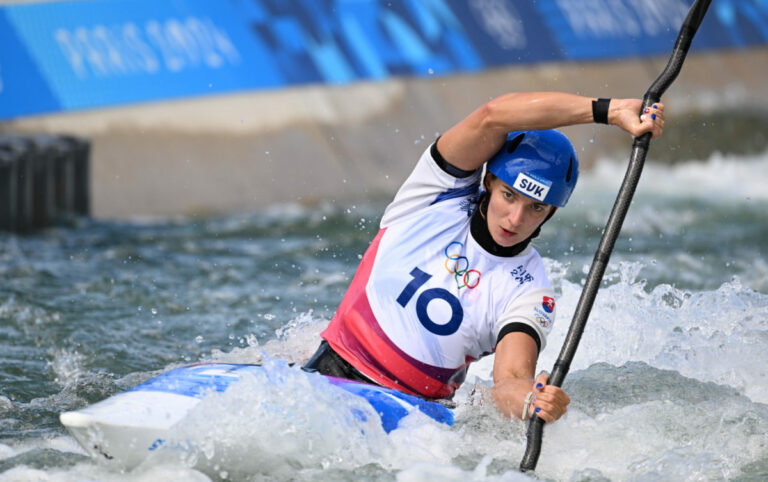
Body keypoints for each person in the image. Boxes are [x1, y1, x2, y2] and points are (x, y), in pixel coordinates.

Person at [303, 92, 665, 423]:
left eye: (535, 207)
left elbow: (509, 380)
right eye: (509, 195)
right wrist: (610, 111)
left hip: (411, 418)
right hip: (329, 370)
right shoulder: (435, 193)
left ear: (551, 213)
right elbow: (494, 116)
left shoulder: (530, 292)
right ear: (490, 181)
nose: (515, 219)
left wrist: (531, 401)